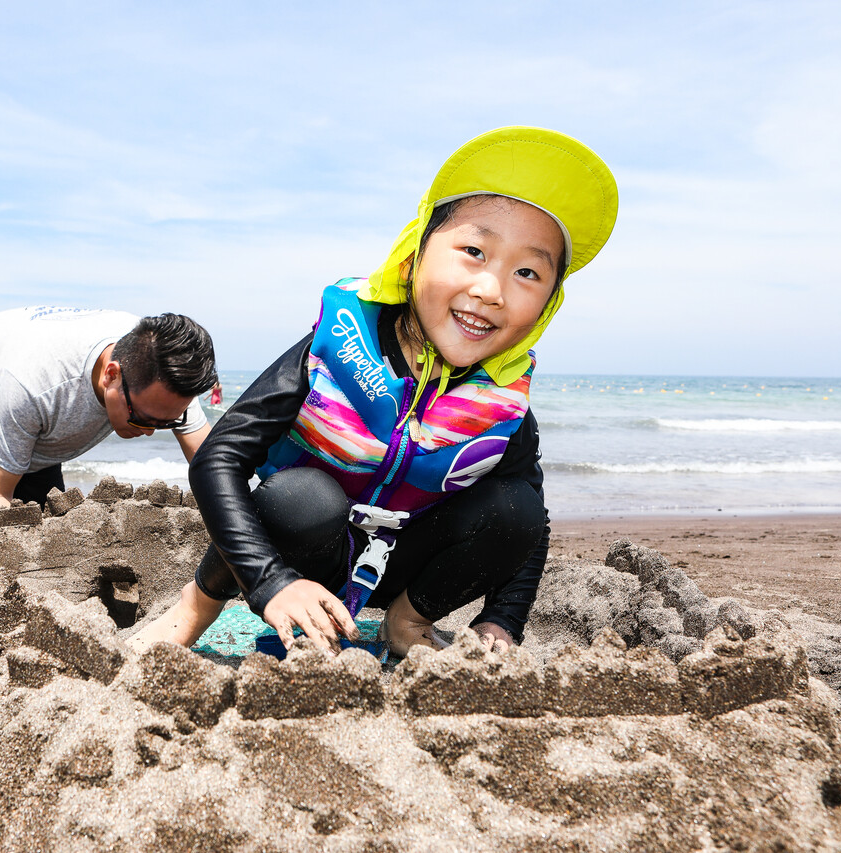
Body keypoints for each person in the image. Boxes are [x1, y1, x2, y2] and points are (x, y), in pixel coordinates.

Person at [129, 126, 618, 658]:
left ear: (548, 302)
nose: (490, 291)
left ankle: (406, 622)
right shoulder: (336, 343)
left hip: (405, 567)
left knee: (515, 507)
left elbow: (528, 524)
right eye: (474, 251)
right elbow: (218, 458)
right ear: (416, 252)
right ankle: (195, 605)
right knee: (300, 498)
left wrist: (504, 619)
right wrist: (269, 580)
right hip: (307, 548)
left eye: (527, 271)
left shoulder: (502, 400)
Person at [0, 309, 218, 550]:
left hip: (32, 431)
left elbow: (210, 464)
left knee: (36, 516)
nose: (150, 432)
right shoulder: (36, 384)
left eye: (168, 421)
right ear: (111, 374)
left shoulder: (164, 373)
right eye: (144, 419)